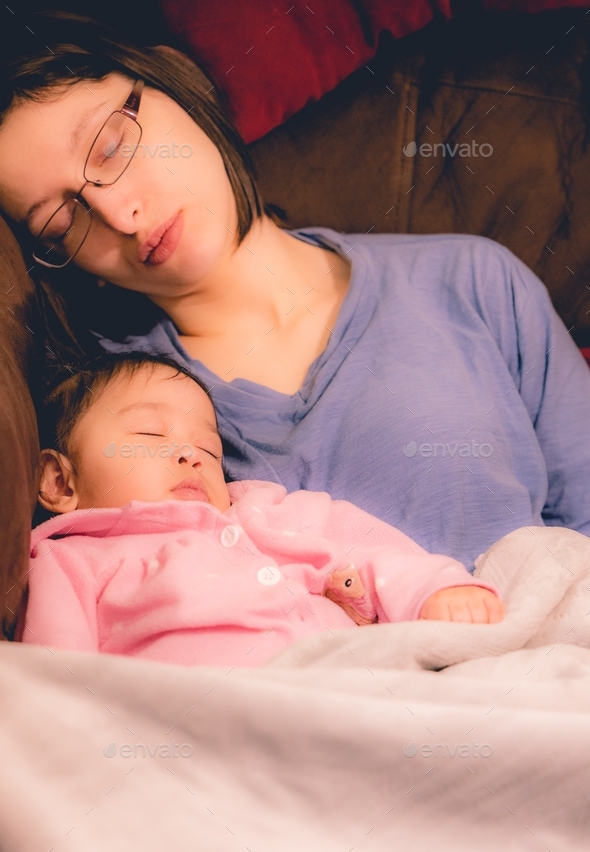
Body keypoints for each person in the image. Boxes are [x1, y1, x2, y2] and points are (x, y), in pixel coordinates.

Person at [0, 12, 589, 575]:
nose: (119, 214)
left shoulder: (471, 279)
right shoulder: (104, 410)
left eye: (110, 147)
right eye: (61, 222)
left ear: (178, 87)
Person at [24, 352, 503, 667]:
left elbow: (369, 549)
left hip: (362, 684)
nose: (191, 455)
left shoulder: (264, 513)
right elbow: (54, 677)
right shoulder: (70, 563)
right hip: (204, 723)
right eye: (150, 435)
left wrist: (434, 588)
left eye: (209, 450)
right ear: (60, 481)